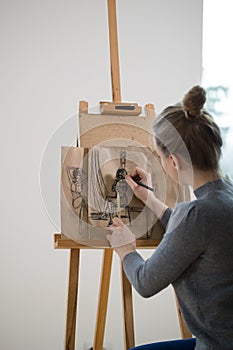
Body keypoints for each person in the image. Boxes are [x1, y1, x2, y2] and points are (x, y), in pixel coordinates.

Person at [106, 86, 233, 350]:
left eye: (160, 157)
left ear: (173, 161)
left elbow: (144, 282)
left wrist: (126, 249)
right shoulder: (225, 197)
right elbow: (196, 236)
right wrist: (152, 201)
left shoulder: (197, 216)